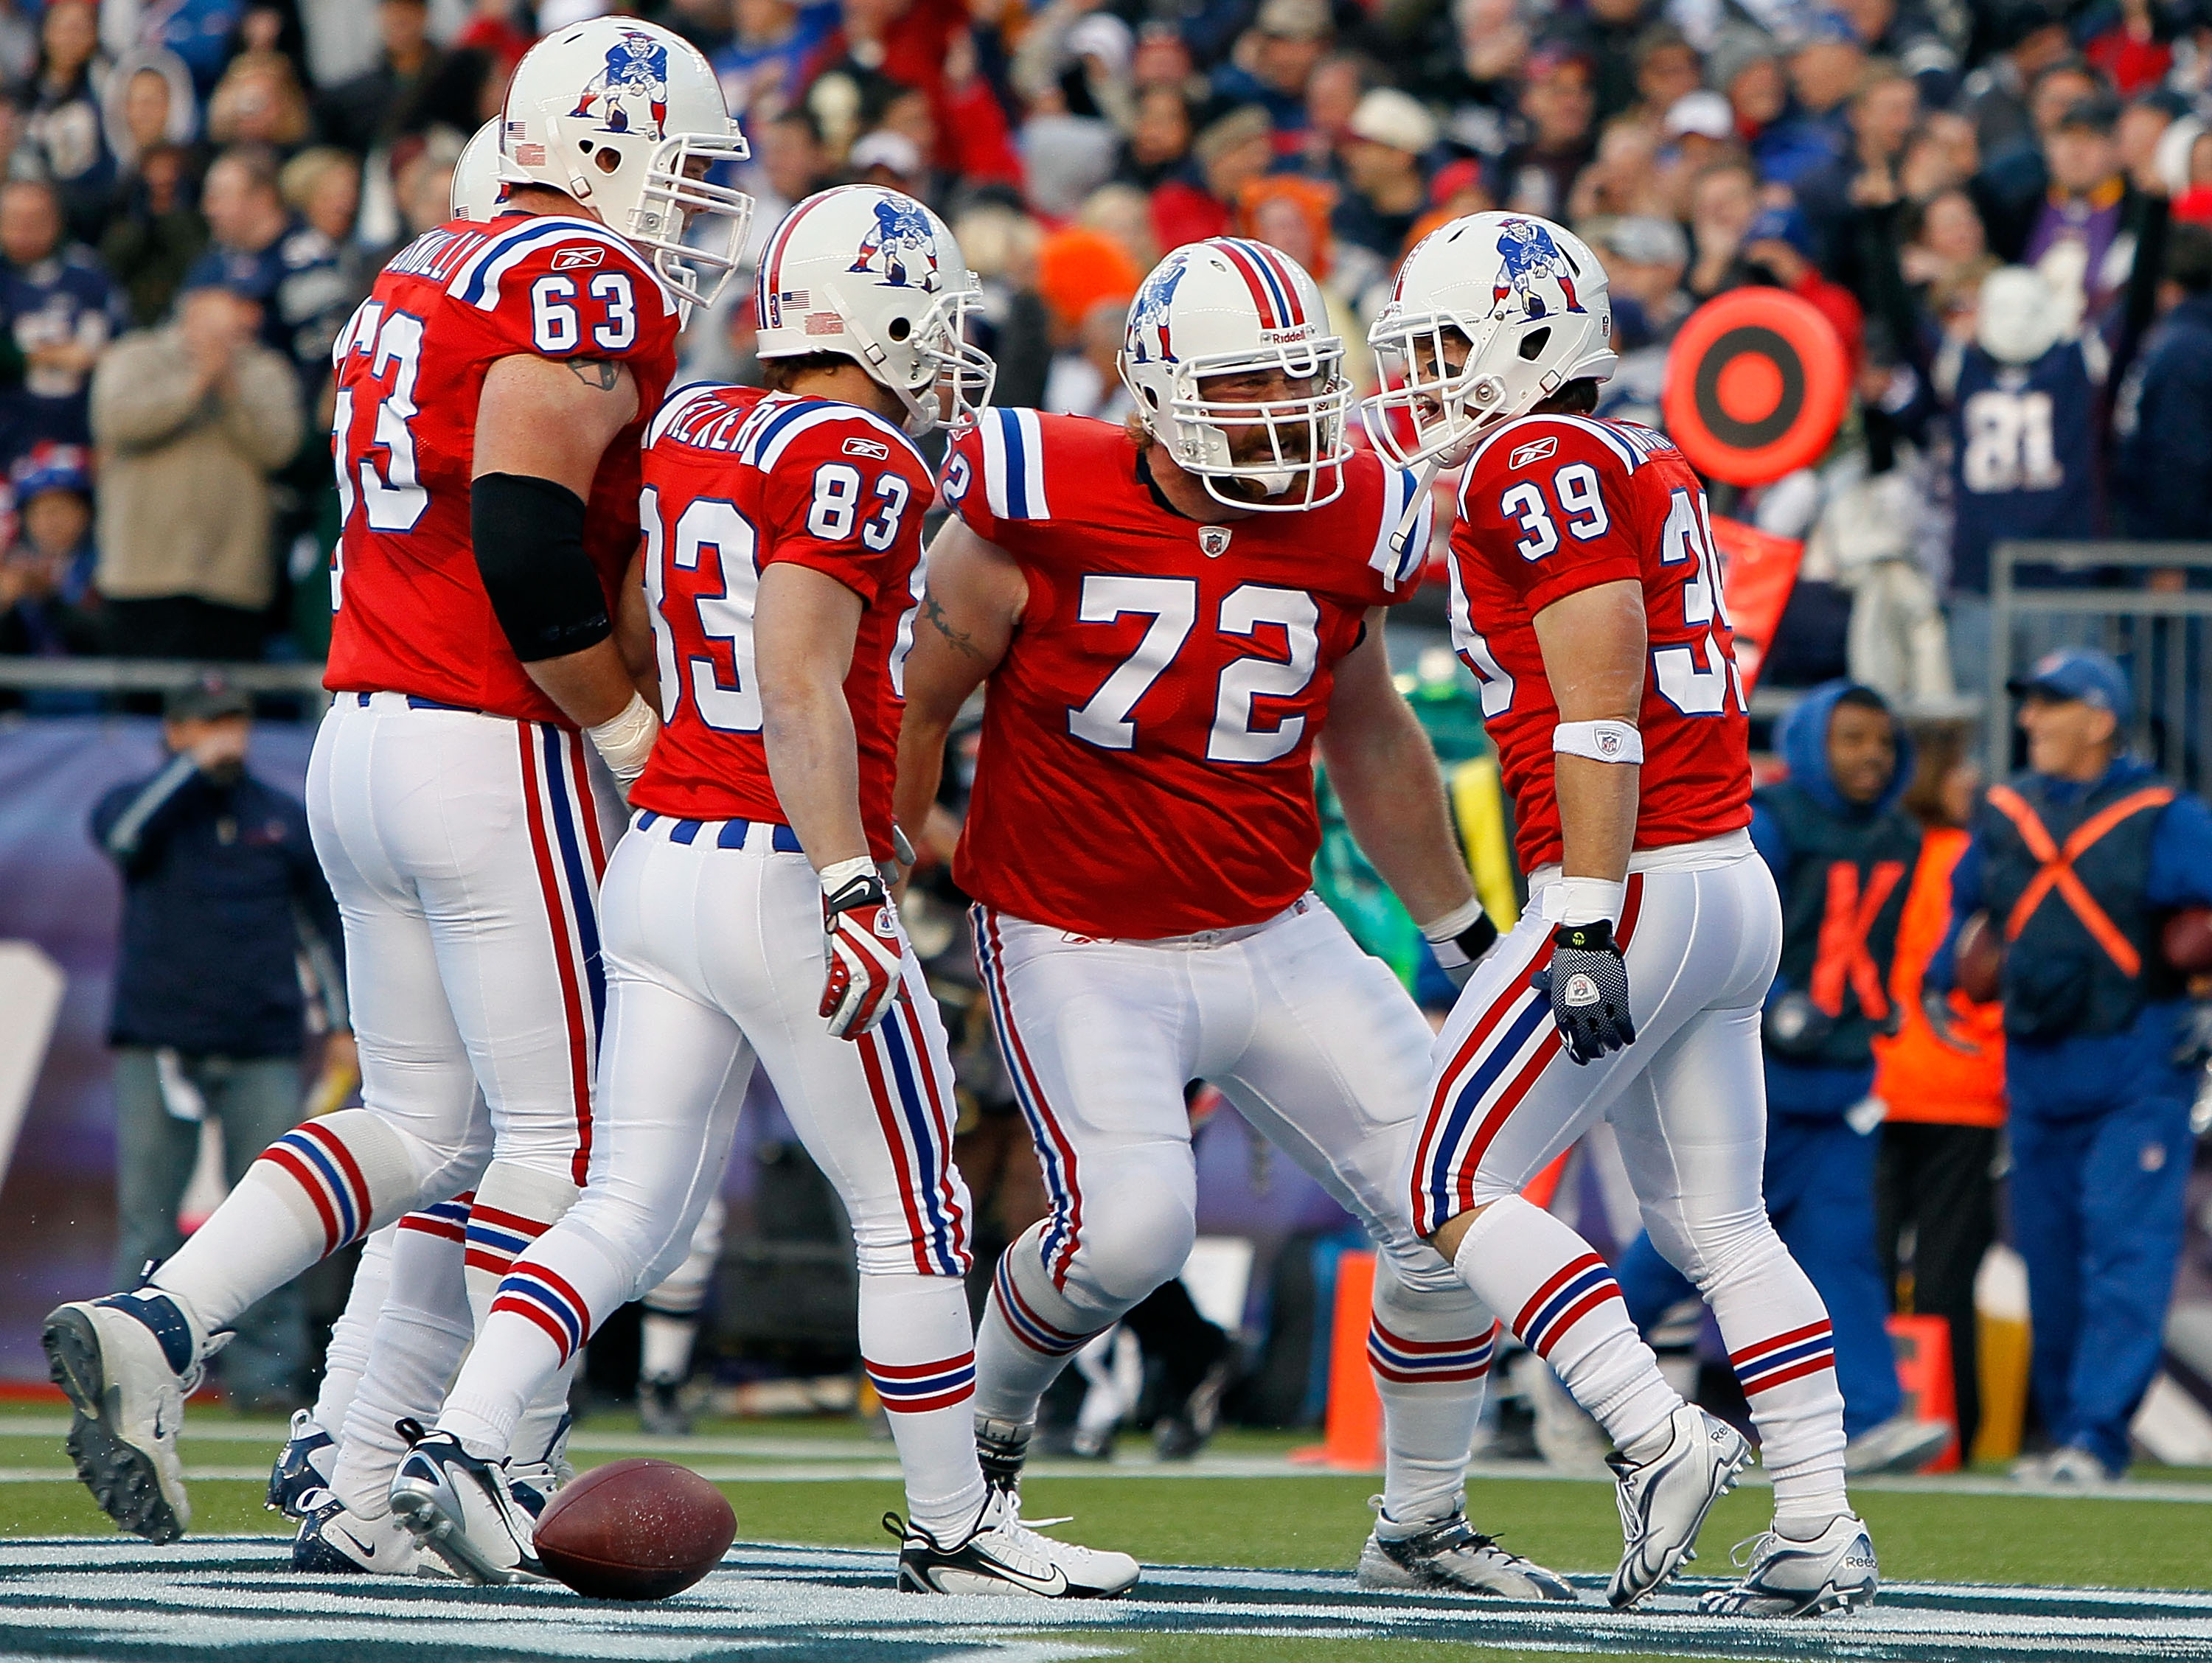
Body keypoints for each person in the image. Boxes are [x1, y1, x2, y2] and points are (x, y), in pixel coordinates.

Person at [42, 18, 753, 1550]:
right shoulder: (581, 278)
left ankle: (185, 1331)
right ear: (598, 149)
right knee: (568, 1150)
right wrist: (629, 734)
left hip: (359, 730)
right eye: (677, 174)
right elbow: (523, 540)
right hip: (493, 734)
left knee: (427, 1122)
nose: (688, 216)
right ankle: (481, 1465)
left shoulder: (416, 271)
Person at [392, 183, 1131, 1599]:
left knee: (624, 1204)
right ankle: (956, 1524)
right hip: (784, 865)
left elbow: (633, 618)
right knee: (911, 1207)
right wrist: (852, 879)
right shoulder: (856, 452)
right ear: (885, 313)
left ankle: (470, 1440)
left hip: (661, 849)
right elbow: (798, 679)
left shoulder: (695, 421)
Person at [901, 236, 1574, 1600]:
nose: (1275, 418)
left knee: (1448, 1198)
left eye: (1294, 383)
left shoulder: (1353, 511)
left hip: (1272, 924)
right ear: (1151, 394)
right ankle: (987, 1429)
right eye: (1240, 386)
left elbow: (1372, 734)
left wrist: (1459, 929)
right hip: (1074, 933)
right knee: (1132, 1230)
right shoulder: (1038, 492)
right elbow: (913, 707)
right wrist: (889, 867)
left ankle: (1422, 1526)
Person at [1366, 210, 1877, 1618]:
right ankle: (1820, 1524)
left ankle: (1651, 1434)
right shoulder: (1633, 451)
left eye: (1454, 342)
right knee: (1720, 1224)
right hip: (1722, 877)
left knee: (1444, 1187)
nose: (1429, 374)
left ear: (1535, 339)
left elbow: (1598, 713)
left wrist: (1583, 920)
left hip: (1631, 880)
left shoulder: (1538, 458)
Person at [1615, 683, 1952, 1475]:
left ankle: (1866, 1417)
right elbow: (1725, 927)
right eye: (1852, 739)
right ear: (1809, 744)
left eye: (1882, 740)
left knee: (1844, 1252)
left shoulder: (1901, 837)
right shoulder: (1770, 821)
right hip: (1752, 1070)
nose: (1873, 755)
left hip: (1838, 1081)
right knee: (1687, 1243)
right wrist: (1769, 1004)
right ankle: (1565, 1374)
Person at [1930, 649, 2212, 1482]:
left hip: (2140, 1064)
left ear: (2100, 719)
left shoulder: (2166, 814)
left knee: (2126, 1253)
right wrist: (1945, 982)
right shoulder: (2006, 810)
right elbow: (1969, 914)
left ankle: (2096, 1437)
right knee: (2049, 1259)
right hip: (2038, 1061)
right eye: (2029, 705)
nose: (2029, 721)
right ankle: (2066, 1435)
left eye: (2050, 706)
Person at [88, 672, 352, 1414]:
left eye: (235, 720)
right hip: (160, 1040)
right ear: (175, 730)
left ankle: (268, 1378)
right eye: (208, 722)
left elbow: (321, 929)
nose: (226, 734)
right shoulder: (148, 806)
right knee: (148, 1214)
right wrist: (186, 770)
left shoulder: (276, 816)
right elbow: (120, 836)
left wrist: (340, 1025)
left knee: (275, 1216)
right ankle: (128, 1370)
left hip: (260, 1040)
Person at [1871, 719, 2003, 1454]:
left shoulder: (1877, 852)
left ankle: (1871, 1419)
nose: (1972, 780)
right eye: (1960, 766)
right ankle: (1956, 1431)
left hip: (1878, 1083)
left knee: (1870, 1268)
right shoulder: (1972, 857)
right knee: (1951, 1275)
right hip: (1962, 1087)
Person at [89, 276, 304, 662]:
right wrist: (196, 384)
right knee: (143, 712)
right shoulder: (135, 355)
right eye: (230, 307)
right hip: (143, 574)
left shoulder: (266, 371)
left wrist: (229, 391)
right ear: (191, 309)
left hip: (233, 578)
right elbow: (116, 423)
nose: (243, 321)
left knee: (226, 711)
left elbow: (279, 450)